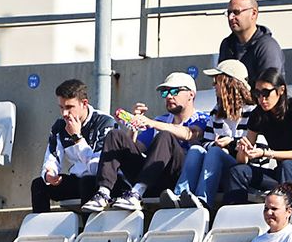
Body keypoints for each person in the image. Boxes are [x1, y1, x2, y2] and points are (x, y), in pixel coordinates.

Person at [83, 72, 211, 214]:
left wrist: (152, 123)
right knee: (115, 135)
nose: (169, 96)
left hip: (179, 178)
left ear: (191, 94)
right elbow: (135, 149)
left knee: (165, 136)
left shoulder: (203, 119)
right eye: (165, 93)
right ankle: (103, 193)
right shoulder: (160, 120)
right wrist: (133, 126)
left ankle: (137, 193)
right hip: (152, 176)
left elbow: (189, 134)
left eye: (174, 91)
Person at [221, 68, 292, 199]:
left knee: (288, 165)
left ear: (281, 90)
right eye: (257, 93)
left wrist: (265, 153)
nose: (262, 99)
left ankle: (288, 210)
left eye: (266, 93)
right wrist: (243, 151)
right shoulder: (258, 114)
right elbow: (242, 160)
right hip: (284, 174)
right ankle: (235, 210)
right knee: (237, 172)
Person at [165, 60, 251, 210]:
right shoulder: (216, 112)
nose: (213, 85)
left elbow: (255, 146)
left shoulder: (252, 111)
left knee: (215, 152)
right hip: (217, 165)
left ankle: (203, 200)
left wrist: (229, 143)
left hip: (242, 169)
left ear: (229, 83)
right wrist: (216, 144)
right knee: (196, 149)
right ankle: (180, 195)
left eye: (217, 82)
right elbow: (205, 143)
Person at [32, 78, 116, 213]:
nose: (65, 113)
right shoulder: (60, 126)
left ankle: (89, 226)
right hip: (77, 180)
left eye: (69, 107)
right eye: (61, 107)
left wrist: (77, 138)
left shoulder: (104, 122)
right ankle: (39, 225)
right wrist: (50, 174)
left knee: (87, 182)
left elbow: (97, 168)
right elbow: (52, 157)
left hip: (103, 184)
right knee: (39, 184)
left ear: (84, 103)